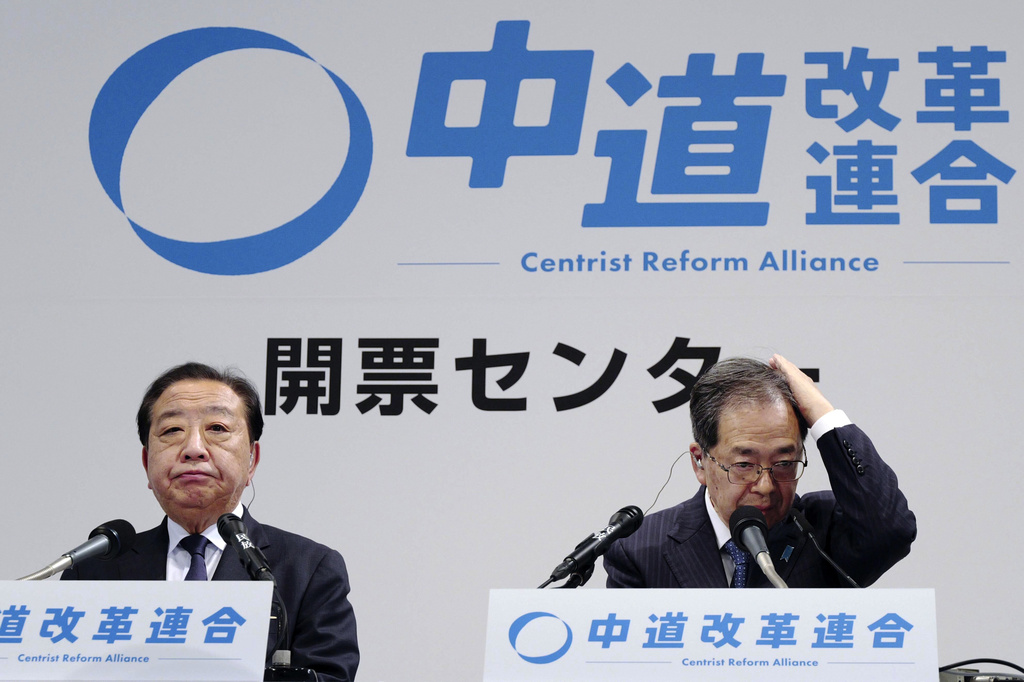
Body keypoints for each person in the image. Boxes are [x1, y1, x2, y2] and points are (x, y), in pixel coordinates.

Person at [62, 362, 358, 682]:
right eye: (172, 430)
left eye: (217, 428)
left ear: (251, 460)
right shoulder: (93, 571)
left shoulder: (308, 568)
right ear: (147, 462)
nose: (193, 449)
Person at [604, 354, 916, 589]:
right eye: (744, 465)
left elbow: (891, 531)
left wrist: (824, 416)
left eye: (784, 463)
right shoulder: (641, 549)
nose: (765, 486)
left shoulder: (823, 532)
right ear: (700, 462)